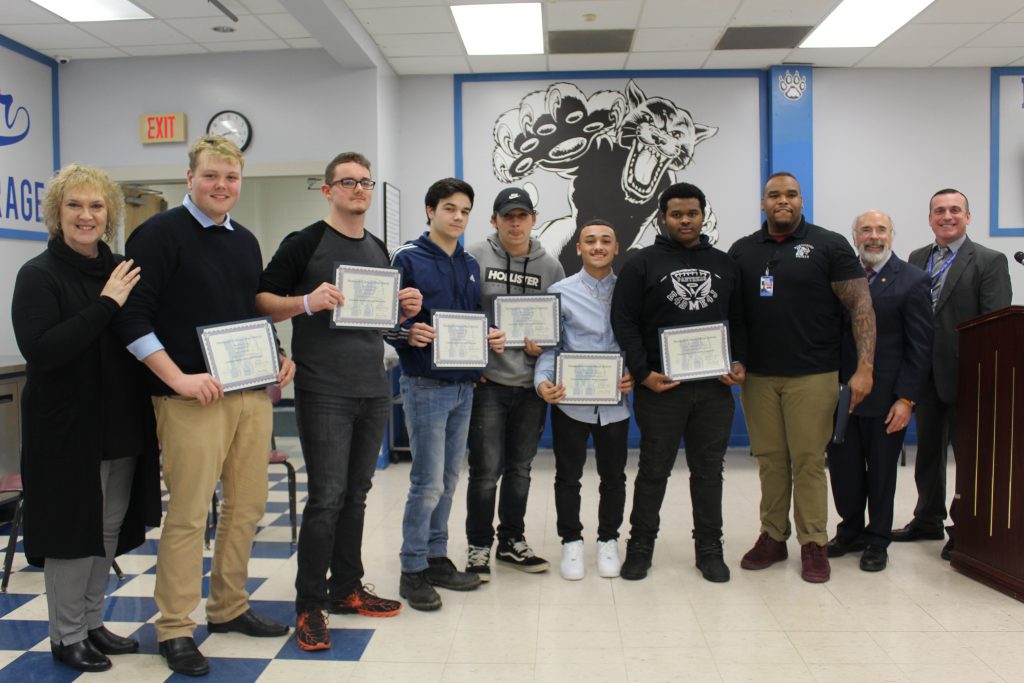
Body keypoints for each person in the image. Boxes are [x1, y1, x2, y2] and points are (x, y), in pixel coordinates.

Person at [115, 136, 296, 677]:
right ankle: (174, 626)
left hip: (248, 395)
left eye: (231, 178)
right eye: (212, 175)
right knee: (191, 515)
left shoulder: (244, 241)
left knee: (246, 509)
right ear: (190, 177)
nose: (222, 186)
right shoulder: (156, 235)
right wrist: (179, 378)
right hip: (189, 398)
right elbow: (132, 318)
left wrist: (279, 355)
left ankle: (229, 606)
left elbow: (248, 312)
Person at [256, 152, 423, 650]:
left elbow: (378, 324)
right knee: (326, 499)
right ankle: (310, 604)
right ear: (328, 190)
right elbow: (262, 298)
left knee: (357, 494)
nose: (358, 189)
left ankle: (347, 588)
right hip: (323, 389)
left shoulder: (377, 247)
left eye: (365, 182)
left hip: (371, 388)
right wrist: (306, 302)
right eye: (347, 182)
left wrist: (404, 309)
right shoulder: (304, 242)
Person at [11, 164, 161, 674]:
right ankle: (66, 635)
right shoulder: (38, 275)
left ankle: (93, 623)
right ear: (56, 213)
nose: (86, 215)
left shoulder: (123, 268)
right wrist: (105, 304)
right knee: (72, 534)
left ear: (110, 214)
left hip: (121, 422)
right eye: (74, 205)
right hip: (66, 430)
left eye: (96, 206)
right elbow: (45, 350)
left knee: (107, 529)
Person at [728, 172, 875, 583]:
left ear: (801, 201)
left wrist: (865, 368)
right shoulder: (742, 251)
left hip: (813, 374)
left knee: (809, 461)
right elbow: (731, 315)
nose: (783, 201)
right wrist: (732, 361)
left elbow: (861, 306)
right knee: (771, 461)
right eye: (774, 195)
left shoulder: (829, 245)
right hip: (757, 377)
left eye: (791, 194)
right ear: (763, 203)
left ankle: (814, 542)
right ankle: (773, 536)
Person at [610, 183, 747, 583]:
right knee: (653, 470)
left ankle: (709, 549)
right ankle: (640, 548)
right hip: (661, 387)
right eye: (676, 215)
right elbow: (625, 322)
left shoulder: (725, 264)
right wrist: (642, 372)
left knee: (709, 472)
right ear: (662, 218)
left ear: (703, 215)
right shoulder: (641, 264)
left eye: (692, 213)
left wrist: (740, 361)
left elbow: (740, 321)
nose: (685, 221)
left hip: (714, 389)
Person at [387, 177, 505, 611]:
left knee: (449, 481)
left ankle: (437, 557)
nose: (458, 217)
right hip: (425, 385)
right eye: (450, 209)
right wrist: (406, 332)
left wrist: (487, 338)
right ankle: (412, 568)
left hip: (464, 385)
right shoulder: (408, 258)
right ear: (430, 210)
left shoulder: (469, 263)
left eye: (464, 211)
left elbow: (469, 319)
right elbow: (381, 320)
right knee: (426, 482)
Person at [892, 189, 1011, 560]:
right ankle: (927, 517)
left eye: (955, 210)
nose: (947, 216)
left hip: (968, 377)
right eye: (939, 211)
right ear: (929, 219)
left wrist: (986, 377)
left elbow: (995, 324)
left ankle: (965, 527)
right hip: (923, 376)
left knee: (969, 457)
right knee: (927, 453)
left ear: (968, 217)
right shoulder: (916, 258)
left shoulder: (989, 261)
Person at [464, 187, 565, 580]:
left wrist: (545, 345)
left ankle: (511, 541)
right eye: (508, 216)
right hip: (488, 382)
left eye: (522, 215)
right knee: (485, 469)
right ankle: (477, 546)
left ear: (533, 219)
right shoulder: (474, 256)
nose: (515, 222)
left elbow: (557, 326)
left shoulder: (551, 266)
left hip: (529, 385)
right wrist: (473, 366)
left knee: (520, 468)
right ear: (494, 220)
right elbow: (462, 313)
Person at [825, 211, 933, 572]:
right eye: (865, 230)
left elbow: (920, 346)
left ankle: (877, 540)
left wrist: (907, 399)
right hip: (839, 397)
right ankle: (851, 531)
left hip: (887, 399)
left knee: (882, 473)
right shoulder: (840, 278)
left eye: (880, 229)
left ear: (892, 235)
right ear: (855, 236)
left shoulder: (914, 280)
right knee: (844, 471)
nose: (873, 236)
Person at [535, 219, 634, 580]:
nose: (597, 246)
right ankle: (571, 542)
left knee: (614, 478)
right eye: (589, 241)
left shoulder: (629, 291)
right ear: (578, 249)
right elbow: (550, 346)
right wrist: (542, 382)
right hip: (570, 402)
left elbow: (636, 343)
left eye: (605, 240)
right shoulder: (560, 291)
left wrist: (634, 372)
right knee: (568, 477)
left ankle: (608, 540)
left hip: (615, 405)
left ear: (616, 247)